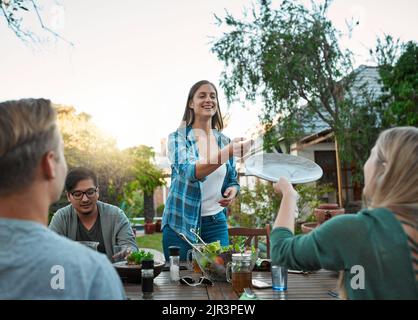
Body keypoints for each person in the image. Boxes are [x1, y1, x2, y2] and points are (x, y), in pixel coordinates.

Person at [270, 126, 418, 300]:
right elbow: (360, 279)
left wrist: (289, 194)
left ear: (383, 170)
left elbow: (281, 252)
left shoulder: (357, 231)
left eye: (372, 153)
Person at [0, 98, 126, 299]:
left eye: (90, 192)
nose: (84, 198)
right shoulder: (92, 274)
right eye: (62, 153)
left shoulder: (114, 217)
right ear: (49, 164)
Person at [161, 80, 253, 260]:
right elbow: (190, 172)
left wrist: (233, 190)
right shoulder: (177, 139)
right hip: (180, 223)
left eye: (213, 96)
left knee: (220, 275)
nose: (208, 99)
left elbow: (232, 179)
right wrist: (229, 151)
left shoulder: (224, 141)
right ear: (191, 103)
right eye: (202, 95)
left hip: (215, 223)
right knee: (181, 281)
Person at [49, 167, 138, 261]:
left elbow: (130, 245)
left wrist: (128, 251)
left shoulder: (116, 216)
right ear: (68, 196)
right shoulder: (62, 218)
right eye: (78, 194)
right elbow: (50, 250)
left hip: (111, 274)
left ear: (97, 192)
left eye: (90, 192)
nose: (85, 199)